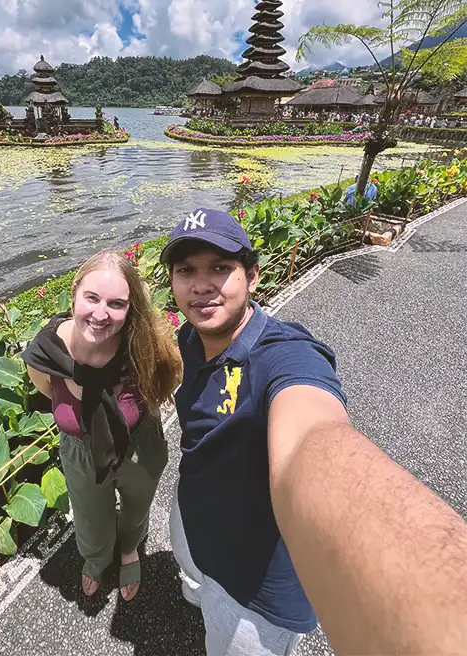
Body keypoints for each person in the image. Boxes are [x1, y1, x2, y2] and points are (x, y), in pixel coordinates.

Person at [161, 209, 467, 656]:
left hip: (251, 587)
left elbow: (313, 436)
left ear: (252, 275)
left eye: (221, 268)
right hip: (194, 515)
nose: (202, 284)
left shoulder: (284, 357)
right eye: (186, 271)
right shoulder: (189, 339)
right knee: (196, 586)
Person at [23, 251, 181, 601]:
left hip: (138, 444)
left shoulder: (142, 348)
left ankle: (128, 550)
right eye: (91, 298)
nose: (100, 313)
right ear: (74, 294)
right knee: (90, 518)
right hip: (81, 450)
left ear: (130, 309)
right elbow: (48, 390)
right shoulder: (46, 353)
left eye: (116, 303)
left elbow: (165, 383)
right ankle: (96, 557)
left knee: (137, 506)